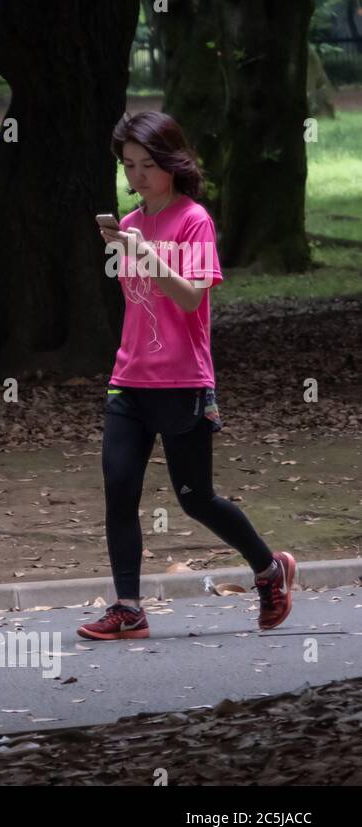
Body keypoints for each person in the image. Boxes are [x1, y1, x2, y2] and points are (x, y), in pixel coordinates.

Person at [78, 111, 295, 641]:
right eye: (129, 166)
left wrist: (144, 256)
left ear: (172, 163)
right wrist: (127, 245)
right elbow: (140, 308)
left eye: (148, 165)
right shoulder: (128, 226)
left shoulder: (194, 220)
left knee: (195, 497)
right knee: (120, 488)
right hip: (128, 381)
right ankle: (128, 608)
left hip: (184, 383)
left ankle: (270, 570)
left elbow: (191, 296)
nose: (138, 176)